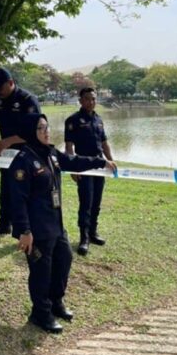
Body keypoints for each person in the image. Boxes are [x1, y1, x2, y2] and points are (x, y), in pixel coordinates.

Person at [9, 113, 116, 333]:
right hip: (37, 230)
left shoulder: (51, 154)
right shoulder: (23, 161)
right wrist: (24, 231)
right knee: (41, 272)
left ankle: (56, 302)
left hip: (56, 225)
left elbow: (74, 160)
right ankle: (40, 313)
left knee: (64, 259)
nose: (46, 131)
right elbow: (17, 200)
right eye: (40, 128)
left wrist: (101, 161)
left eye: (47, 127)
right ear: (31, 132)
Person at [0, 67, 41, 235]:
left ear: (10, 83)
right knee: (6, 189)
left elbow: (35, 131)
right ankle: (4, 224)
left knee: (27, 191)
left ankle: (29, 229)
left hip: (27, 153)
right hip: (6, 155)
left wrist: (6, 141)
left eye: (0, 88)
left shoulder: (28, 100)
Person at [64, 87, 115, 256]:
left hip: (99, 166)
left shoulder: (98, 120)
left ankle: (93, 233)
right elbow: (69, 147)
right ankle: (84, 238)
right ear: (81, 101)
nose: (91, 102)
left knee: (96, 203)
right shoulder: (73, 120)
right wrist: (72, 167)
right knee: (86, 202)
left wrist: (111, 160)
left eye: (93, 99)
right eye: (87, 99)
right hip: (83, 166)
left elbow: (104, 142)